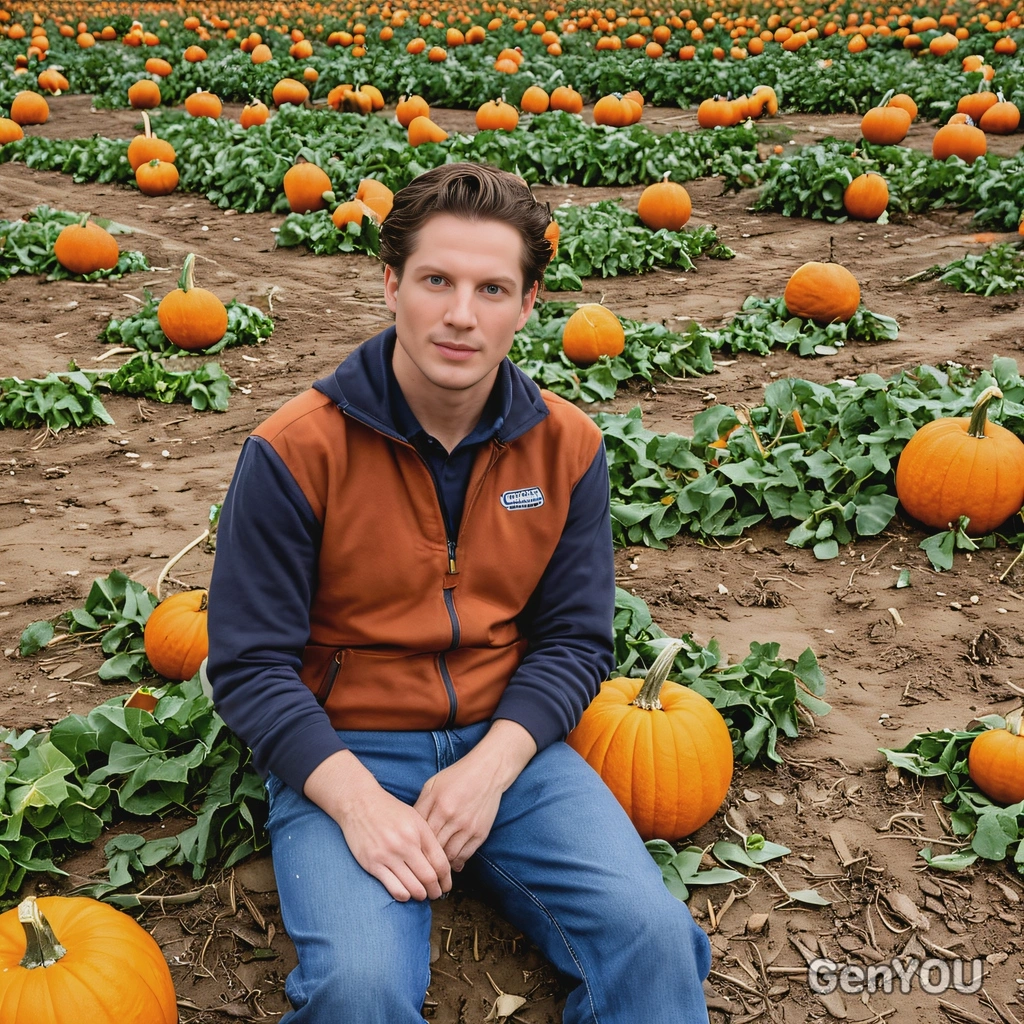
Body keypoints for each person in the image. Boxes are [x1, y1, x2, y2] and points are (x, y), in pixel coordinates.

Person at [206, 161, 712, 1023]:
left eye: (492, 287)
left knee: (654, 936)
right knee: (358, 991)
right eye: (437, 280)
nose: (460, 315)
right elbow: (249, 665)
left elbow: (575, 641)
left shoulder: (569, 448)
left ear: (529, 303)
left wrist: (490, 768)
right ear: (392, 282)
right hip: (346, 750)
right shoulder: (294, 451)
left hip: (511, 750)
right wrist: (357, 802)